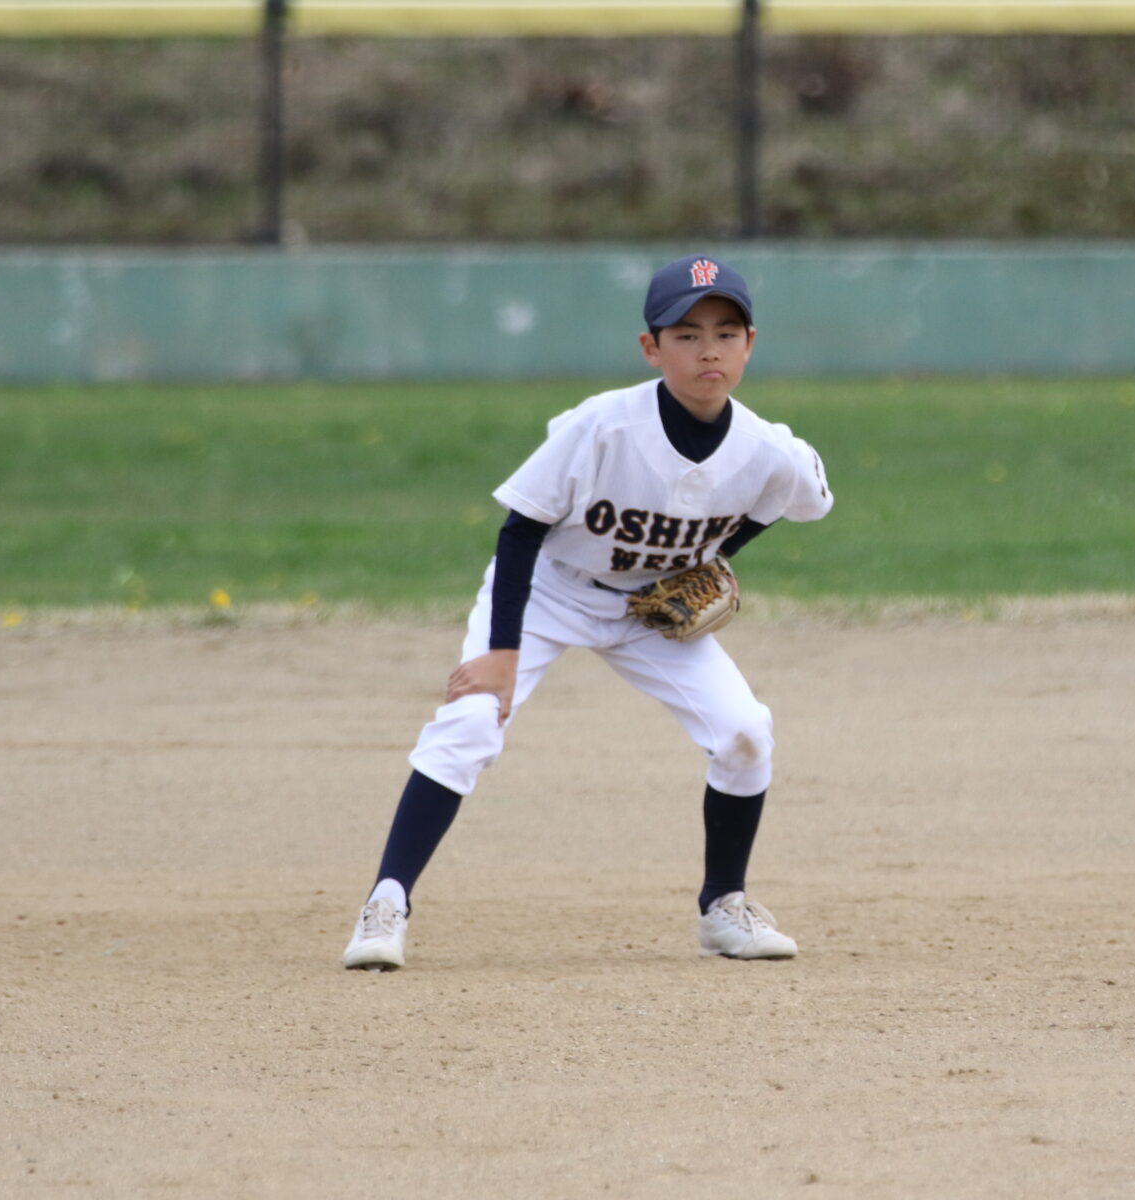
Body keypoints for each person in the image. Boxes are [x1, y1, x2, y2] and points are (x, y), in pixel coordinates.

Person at [341, 254, 832, 971]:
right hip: (548, 590)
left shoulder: (768, 450)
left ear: (750, 344)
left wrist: (711, 560)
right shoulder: (602, 427)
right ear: (651, 347)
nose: (708, 351)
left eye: (726, 334)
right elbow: (521, 529)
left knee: (745, 732)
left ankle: (724, 907)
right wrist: (501, 652)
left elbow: (794, 502)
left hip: (648, 610)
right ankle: (386, 903)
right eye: (687, 335)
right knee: (471, 721)